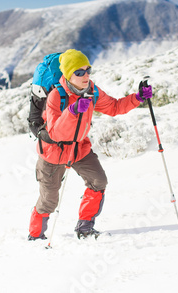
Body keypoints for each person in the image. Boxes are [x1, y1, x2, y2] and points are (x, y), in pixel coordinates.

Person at [28, 49, 153, 240]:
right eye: (79, 72)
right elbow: (55, 133)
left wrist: (138, 98)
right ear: (69, 74)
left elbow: (113, 107)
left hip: (79, 149)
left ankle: (85, 228)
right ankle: (35, 237)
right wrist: (73, 111)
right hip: (53, 152)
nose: (85, 75)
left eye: (88, 70)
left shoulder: (91, 90)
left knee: (98, 181)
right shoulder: (56, 96)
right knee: (49, 201)